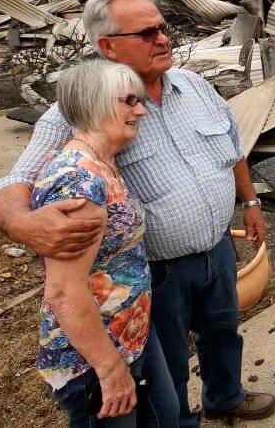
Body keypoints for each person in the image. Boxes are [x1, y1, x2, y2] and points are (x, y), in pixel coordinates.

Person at [0, 0, 275, 425]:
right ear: (107, 46)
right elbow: (16, 181)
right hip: (158, 270)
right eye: (146, 33)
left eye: (163, 28)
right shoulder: (83, 108)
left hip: (218, 247)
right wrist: (21, 223)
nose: (162, 39)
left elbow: (233, 148)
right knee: (167, 367)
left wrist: (251, 202)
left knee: (223, 331)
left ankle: (225, 396)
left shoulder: (195, 86)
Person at [34, 59, 179, 427]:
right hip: (94, 359)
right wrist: (110, 369)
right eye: (129, 101)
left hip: (131, 332)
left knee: (167, 415)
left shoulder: (103, 163)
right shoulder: (77, 182)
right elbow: (63, 291)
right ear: (94, 103)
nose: (141, 110)